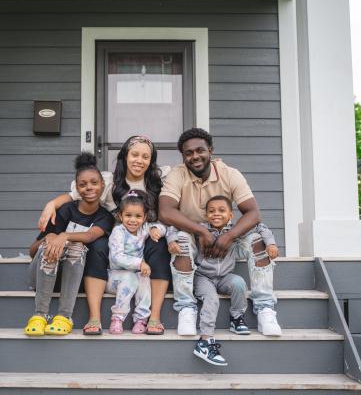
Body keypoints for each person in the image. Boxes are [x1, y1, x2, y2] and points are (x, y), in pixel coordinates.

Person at [37, 136, 171, 334]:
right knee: (98, 245)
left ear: (151, 161)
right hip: (114, 238)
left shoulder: (158, 181)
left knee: (159, 245)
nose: (139, 160)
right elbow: (74, 195)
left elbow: (185, 173)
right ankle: (94, 317)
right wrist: (52, 204)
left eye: (145, 157)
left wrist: (213, 161)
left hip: (145, 237)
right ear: (125, 156)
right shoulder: (109, 180)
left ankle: (155, 317)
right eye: (134, 155)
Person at [159, 128, 282, 337]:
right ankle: (187, 308)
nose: (195, 156)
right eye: (189, 153)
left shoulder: (229, 174)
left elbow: (253, 213)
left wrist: (229, 236)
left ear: (211, 151)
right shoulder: (177, 174)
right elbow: (165, 211)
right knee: (180, 239)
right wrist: (201, 231)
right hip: (193, 238)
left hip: (226, 241)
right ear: (183, 156)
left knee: (257, 241)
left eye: (200, 150)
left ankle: (264, 309)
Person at [167, 195, 277, 366]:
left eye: (221, 210)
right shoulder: (200, 229)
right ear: (206, 215)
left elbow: (260, 226)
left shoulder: (235, 230)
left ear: (231, 215)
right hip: (203, 277)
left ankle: (236, 318)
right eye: (211, 211)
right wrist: (171, 240)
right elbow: (174, 227)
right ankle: (205, 340)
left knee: (239, 283)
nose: (216, 214)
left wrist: (271, 244)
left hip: (225, 277)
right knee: (212, 299)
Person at [24, 153, 114, 336]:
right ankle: (40, 315)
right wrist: (48, 237)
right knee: (50, 245)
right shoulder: (65, 210)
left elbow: (89, 236)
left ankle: (64, 316)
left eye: (94, 183)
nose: (89, 187)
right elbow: (32, 251)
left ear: (102, 185)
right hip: (42, 276)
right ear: (77, 189)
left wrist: (64, 235)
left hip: (72, 280)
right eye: (83, 184)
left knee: (77, 245)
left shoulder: (105, 217)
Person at [107, 190, 167, 334]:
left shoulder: (143, 229)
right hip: (115, 277)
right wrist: (139, 263)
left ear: (145, 217)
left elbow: (163, 227)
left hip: (137, 273)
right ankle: (117, 318)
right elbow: (116, 257)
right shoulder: (118, 232)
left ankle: (141, 319)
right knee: (129, 278)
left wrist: (154, 229)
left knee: (144, 279)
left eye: (138, 216)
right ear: (120, 216)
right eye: (128, 215)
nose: (133, 220)